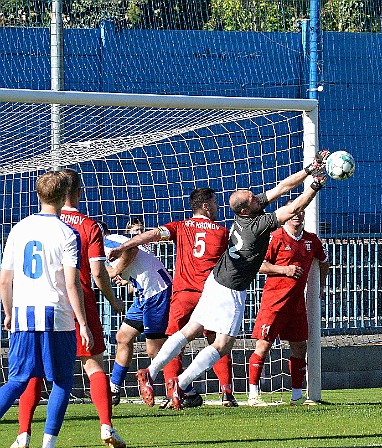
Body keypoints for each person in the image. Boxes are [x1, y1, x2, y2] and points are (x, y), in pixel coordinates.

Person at [136, 154, 329, 409]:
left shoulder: (246, 214)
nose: (256, 196)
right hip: (231, 289)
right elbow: (293, 208)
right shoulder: (257, 226)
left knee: (190, 330)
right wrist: (315, 185)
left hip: (215, 281)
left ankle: (150, 373)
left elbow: (283, 187)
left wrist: (308, 169)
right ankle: (181, 385)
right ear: (246, 208)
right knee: (223, 343)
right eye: (251, 196)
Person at [10, 169, 127, 448]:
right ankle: (106, 426)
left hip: (40, 305)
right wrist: (113, 301)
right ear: (78, 193)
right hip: (79, 302)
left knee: (34, 370)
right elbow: (98, 273)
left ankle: (24, 434)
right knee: (93, 364)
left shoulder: (32, 224)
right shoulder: (88, 226)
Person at [108, 188, 237, 408]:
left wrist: (125, 245)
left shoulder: (180, 226)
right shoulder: (222, 232)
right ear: (206, 206)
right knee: (217, 343)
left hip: (183, 294)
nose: (217, 207)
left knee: (172, 343)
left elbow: (152, 235)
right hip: (210, 294)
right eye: (215, 203)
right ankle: (226, 393)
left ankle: (173, 393)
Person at [0, 171, 90, 448]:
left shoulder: (19, 228)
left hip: (24, 315)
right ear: (65, 196)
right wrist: (84, 323)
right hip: (57, 316)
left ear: (38, 195)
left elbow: (5, 279)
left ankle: (36, 443)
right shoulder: (67, 233)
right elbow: (71, 282)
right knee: (62, 382)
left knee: (16, 381)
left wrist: (8, 312)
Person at [247, 202, 329, 407]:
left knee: (299, 347)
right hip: (274, 301)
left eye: (300, 212)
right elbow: (259, 265)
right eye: (293, 212)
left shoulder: (312, 240)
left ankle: (296, 395)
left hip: (296, 304)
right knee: (263, 345)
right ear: (286, 215)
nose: (297, 216)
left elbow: (324, 260)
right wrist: (285, 270)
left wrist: (321, 287)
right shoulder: (275, 237)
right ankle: (253, 395)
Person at [103, 221, 173, 405]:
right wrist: (127, 278)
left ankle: (180, 391)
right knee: (123, 337)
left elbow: (131, 250)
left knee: (154, 349)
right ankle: (114, 389)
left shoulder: (107, 241)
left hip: (157, 291)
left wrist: (116, 271)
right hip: (144, 293)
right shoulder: (108, 242)